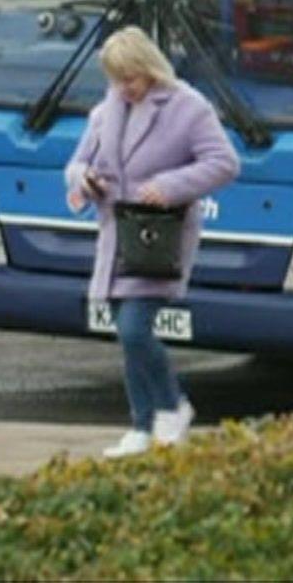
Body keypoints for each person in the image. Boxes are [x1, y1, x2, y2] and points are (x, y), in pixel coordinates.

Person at [66, 27, 240, 458]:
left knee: (134, 328)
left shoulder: (188, 107)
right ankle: (142, 426)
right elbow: (77, 163)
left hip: (159, 237)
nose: (125, 88)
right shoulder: (106, 111)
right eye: (116, 78)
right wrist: (84, 181)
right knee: (127, 334)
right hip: (117, 235)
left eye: (131, 77)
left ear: (149, 68)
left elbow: (224, 162)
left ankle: (172, 406)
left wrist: (171, 185)